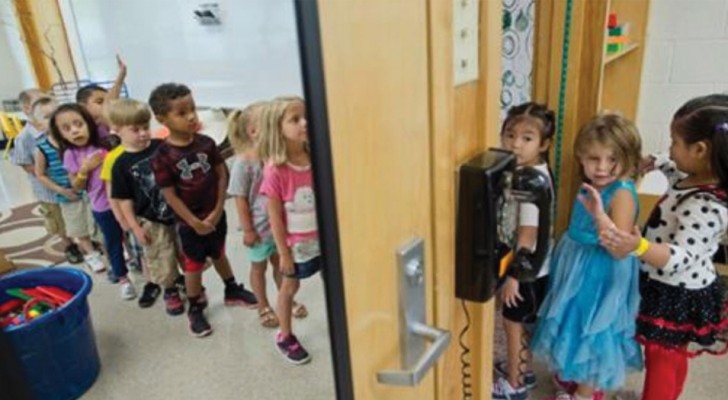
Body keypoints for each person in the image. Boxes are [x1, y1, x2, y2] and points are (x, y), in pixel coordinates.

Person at [585, 94, 728, 400]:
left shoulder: (704, 205)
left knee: (661, 358)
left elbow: (679, 257)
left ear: (700, 150)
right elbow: (672, 167)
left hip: (674, 291)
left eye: (675, 142)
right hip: (679, 288)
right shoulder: (697, 175)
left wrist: (638, 246)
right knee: (673, 355)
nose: (670, 149)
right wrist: (653, 162)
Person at [530, 114, 643, 400]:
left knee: (593, 327)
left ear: (627, 158)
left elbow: (617, 245)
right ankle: (574, 376)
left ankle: (585, 392)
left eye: (612, 159)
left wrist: (599, 215)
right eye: (594, 158)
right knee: (572, 318)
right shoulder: (592, 183)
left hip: (601, 268)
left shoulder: (622, 194)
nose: (602, 168)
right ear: (581, 156)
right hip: (576, 261)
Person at [149, 83, 257, 337]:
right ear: (162, 118)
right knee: (194, 264)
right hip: (190, 223)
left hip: (215, 213)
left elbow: (222, 175)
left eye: (192, 109)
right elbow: (170, 195)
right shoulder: (162, 156)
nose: (191, 116)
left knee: (219, 251)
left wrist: (219, 209)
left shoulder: (207, 143)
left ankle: (232, 289)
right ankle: (195, 306)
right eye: (181, 112)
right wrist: (193, 221)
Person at [491, 102, 556, 400]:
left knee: (512, 325)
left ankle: (514, 386)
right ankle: (524, 369)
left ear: (543, 144)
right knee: (521, 323)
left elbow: (528, 235)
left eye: (527, 138)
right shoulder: (536, 170)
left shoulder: (530, 181)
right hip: (538, 268)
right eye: (510, 135)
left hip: (526, 270)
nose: (515, 143)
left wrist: (514, 276)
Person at [107, 98, 185, 314]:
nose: (143, 133)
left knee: (185, 251)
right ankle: (170, 290)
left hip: (178, 213)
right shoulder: (120, 164)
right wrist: (135, 227)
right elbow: (124, 200)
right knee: (161, 258)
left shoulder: (162, 147)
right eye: (135, 129)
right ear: (117, 130)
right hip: (151, 220)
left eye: (145, 127)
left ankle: (186, 282)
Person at [49, 103, 135, 300]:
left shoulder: (105, 143)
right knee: (113, 242)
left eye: (78, 124)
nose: (75, 130)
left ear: (89, 124)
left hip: (125, 201)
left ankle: (141, 267)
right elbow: (77, 186)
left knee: (135, 237)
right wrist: (84, 169)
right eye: (66, 128)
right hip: (102, 207)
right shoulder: (71, 154)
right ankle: (123, 278)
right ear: (60, 135)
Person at [259, 97, 320, 364]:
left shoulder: (317, 156)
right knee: (289, 287)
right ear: (278, 127)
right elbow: (274, 218)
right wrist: (284, 254)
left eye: (305, 116)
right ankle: (285, 335)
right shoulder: (276, 170)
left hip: (323, 237)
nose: (304, 123)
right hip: (295, 245)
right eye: (295, 119)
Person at [32, 97, 105, 272]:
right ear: (38, 125)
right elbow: (39, 174)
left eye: (56, 113)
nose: (53, 119)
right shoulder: (42, 147)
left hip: (91, 192)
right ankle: (90, 254)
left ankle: (104, 246)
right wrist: (61, 191)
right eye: (47, 117)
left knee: (95, 223)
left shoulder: (77, 141)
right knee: (78, 227)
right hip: (68, 196)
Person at [11, 91, 83, 264]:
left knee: (76, 212)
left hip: (70, 182)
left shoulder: (61, 131)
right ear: (28, 109)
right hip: (47, 190)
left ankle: (85, 239)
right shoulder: (24, 137)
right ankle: (68, 245)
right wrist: (46, 170)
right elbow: (24, 163)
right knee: (57, 219)